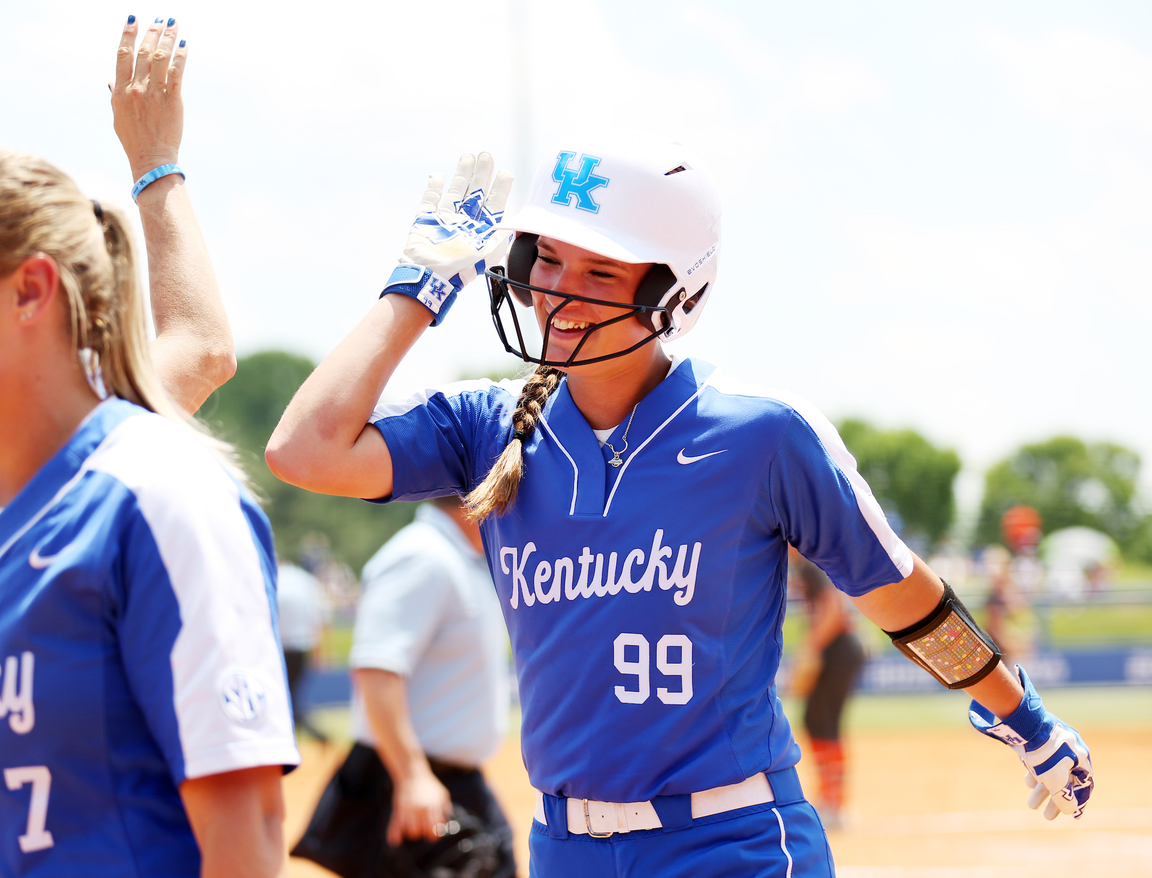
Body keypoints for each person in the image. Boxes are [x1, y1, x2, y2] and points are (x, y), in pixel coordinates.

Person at [265, 137, 1094, 876]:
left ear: (674, 295)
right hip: (564, 847)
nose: (559, 293)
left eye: (599, 271)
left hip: (729, 843)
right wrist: (418, 285)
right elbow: (301, 450)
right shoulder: (487, 427)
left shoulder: (761, 435)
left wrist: (1021, 714)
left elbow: (898, 594)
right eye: (546, 260)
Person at [0, 19, 299, 878]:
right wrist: (156, 165)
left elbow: (243, 831)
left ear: (29, 292)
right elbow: (201, 348)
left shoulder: (27, 468)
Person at [293, 494, 515, 878]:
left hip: (446, 781)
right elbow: (377, 671)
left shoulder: (457, 557)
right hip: (410, 781)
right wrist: (411, 777)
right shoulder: (422, 556)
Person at [787, 551, 866, 829]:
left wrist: (808, 650)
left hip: (840, 649)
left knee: (825, 722)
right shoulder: (807, 565)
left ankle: (834, 803)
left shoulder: (809, 563)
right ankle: (830, 799)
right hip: (840, 649)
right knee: (816, 720)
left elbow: (833, 607)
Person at [275, 559, 331, 742]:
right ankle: (310, 734)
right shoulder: (305, 580)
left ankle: (301, 734)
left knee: (284, 696)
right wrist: (321, 651)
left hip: (279, 646)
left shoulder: (275, 575)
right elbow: (321, 617)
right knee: (291, 695)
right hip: (302, 645)